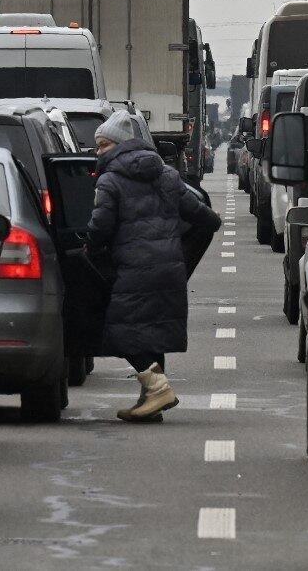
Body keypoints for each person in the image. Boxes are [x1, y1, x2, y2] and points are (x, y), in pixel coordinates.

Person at [87, 112, 222, 422]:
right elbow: (207, 219)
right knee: (153, 335)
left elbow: (101, 226)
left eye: (103, 145)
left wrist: (90, 246)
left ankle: (158, 388)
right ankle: (151, 402)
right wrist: (183, 252)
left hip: (134, 269)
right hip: (169, 269)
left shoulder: (110, 180)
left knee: (120, 333)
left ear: (119, 145)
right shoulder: (168, 177)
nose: (98, 152)